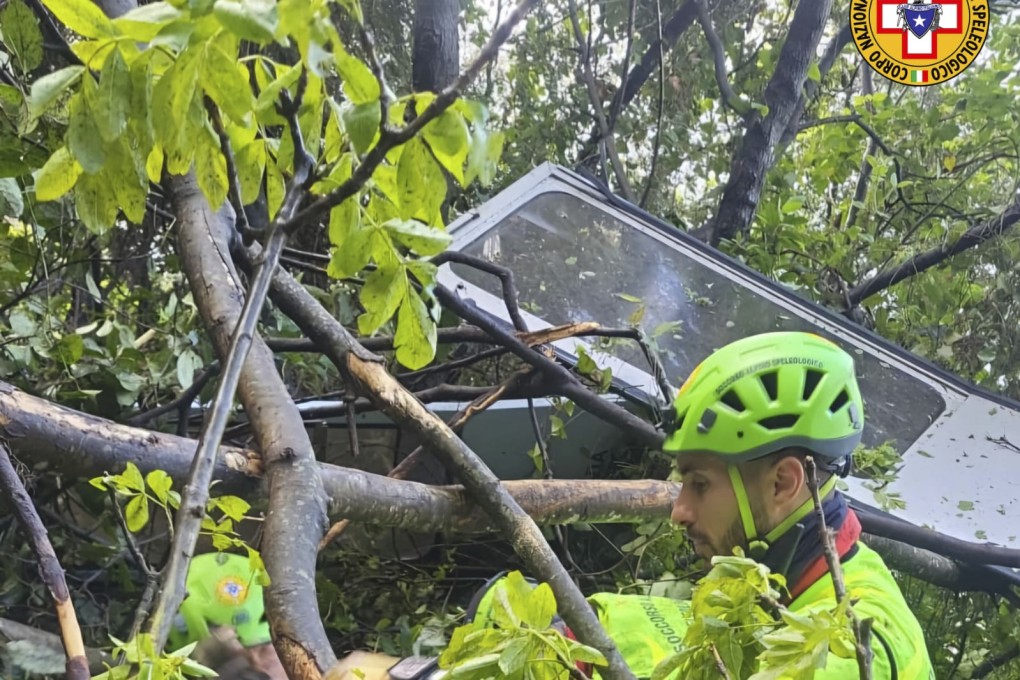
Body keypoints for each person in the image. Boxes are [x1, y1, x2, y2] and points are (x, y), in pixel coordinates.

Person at [662, 331, 933, 678]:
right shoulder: (787, 579)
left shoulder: (849, 650)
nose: (678, 512)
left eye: (700, 484)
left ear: (783, 484)